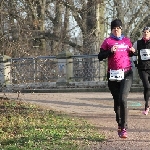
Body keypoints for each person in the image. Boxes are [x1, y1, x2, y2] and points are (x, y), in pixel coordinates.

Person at [98, 19, 136, 138]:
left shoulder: (126, 41)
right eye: (114, 28)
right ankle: (119, 124)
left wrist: (132, 52)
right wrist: (109, 51)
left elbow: (130, 54)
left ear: (121, 29)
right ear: (112, 30)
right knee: (117, 101)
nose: (116, 30)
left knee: (123, 99)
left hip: (126, 73)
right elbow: (100, 56)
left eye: (118, 28)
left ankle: (124, 128)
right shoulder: (107, 41)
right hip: (113, 74)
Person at [132, 26, 150, 115]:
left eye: (147, 32)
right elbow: (133, 52)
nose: (145, 33)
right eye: (144, 32)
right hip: (142, 68)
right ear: (142, 33)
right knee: (147, 86)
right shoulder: (138, 43)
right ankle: (146, 106)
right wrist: (135, 62)